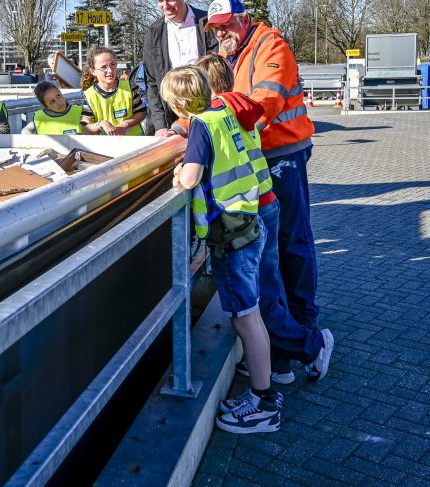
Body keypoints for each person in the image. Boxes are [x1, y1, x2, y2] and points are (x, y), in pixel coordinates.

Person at [194, 54, 333, 384]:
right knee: (268, 290)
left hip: (246, 216)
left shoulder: (216, 115)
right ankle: (278, 363)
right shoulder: (241, 106)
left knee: (261, 299)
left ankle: (312, 347)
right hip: (263, 204)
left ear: (207, 86)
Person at [161, 65, 280, 434]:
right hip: (248, 221)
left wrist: (179, 173)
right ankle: (264, 390)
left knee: (245, 316)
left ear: (179, 105)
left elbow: (192, 176)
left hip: (231, 235)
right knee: (251, 313)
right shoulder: (224, 112)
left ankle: (264, 402)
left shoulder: (200, 125)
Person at [142, 0, 217, 136]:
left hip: (207, 112)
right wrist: (160, 124)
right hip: (171, 119)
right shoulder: (153, 32)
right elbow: (152, 83)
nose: (165, 6)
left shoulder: (207, 24)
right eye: (160, 1)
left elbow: (218, 70)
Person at [80, 47, 146, 136]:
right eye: (103, 67)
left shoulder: (130, 87)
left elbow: (142, 112)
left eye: (112, 64)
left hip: (134, 142)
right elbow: (85, 129)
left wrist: (125, 124)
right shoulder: (89, 95)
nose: (110, 70)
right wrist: (100, 124)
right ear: (93, 71)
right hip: (106, 146)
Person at [22, 81, 86, 135]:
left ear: (60, 92)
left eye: (58, 96)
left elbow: (91, 130)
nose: (58, 102)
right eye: (52, 101)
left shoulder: (80, 111)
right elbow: (26, 130)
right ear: (46, 106)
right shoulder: (39, 117)